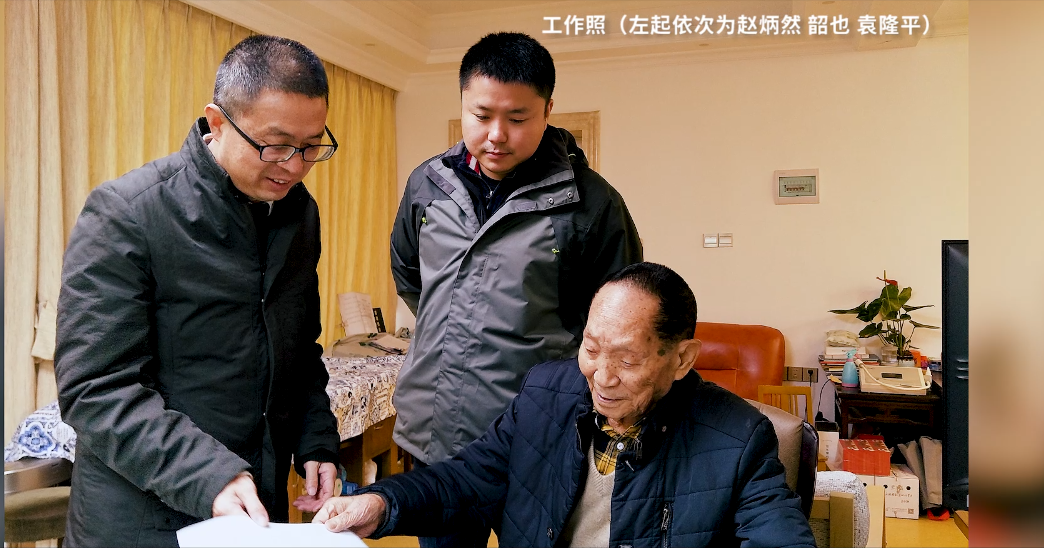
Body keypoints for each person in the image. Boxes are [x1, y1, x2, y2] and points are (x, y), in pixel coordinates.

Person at [55, 35, 341, 546]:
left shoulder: (299, 214)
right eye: (276, 144)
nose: (295, 166)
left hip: (253, 507)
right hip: (141, 519)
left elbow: (298, 349)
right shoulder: (128, 214)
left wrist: (316, 439)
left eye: (311, 145)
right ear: (217, 122)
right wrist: (209, 475)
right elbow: (96, 388)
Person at [315, 262, 817, 548]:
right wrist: (382, 504)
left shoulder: (738, 438)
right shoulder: (545, 394)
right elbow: (467, 480)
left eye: (627, 360)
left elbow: (779, 539)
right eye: (591, 349)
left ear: (682, 359)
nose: (602, 377)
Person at [389, 31, 642, 547]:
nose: (496, 136)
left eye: (518, 118)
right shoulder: (427, 185)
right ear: (462, 103)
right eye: (481, 115)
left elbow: (619, 321)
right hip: (437, 434)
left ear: (548, 110)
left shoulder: (591, 204)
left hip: (538, 438)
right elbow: (412, 279)